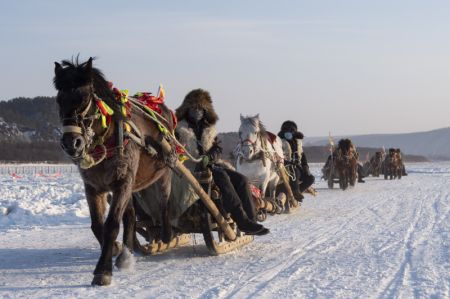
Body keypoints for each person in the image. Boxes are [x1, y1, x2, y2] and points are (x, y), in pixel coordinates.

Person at [175, 89, 269, 236]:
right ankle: (242, 220)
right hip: (191, 168)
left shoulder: (208, 128)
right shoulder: (179, 128)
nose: (197, 111)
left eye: (200, 108)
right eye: (194, 108)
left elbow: (217, 148)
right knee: (223, 178)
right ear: (187, 109)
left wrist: (209, 156)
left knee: (241, 179)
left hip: (210, 164)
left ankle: (251, 220)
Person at [277, 120, 315, 201]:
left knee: (311, 178)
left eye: (290, 131)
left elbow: (303, 156)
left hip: (298, 165)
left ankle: (297, 193)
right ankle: (295, 191)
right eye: (286, 131)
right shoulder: (279, 142)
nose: (288, 133)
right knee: (295, 173)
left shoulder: (298, 143)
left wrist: (305, 167)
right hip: (284, 165)